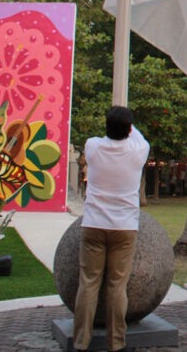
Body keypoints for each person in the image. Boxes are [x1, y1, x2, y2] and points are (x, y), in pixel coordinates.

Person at [72, 106, 149, 352]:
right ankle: (116, 343)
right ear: (128, 128)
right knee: (117, 286)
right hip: (124, 226)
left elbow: (112, 133)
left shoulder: (93, 147)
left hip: (94, 223)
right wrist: (128, 124)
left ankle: (81, 342)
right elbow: (138, 137)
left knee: (89, 283)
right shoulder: (138, 151)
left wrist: (117, 122)